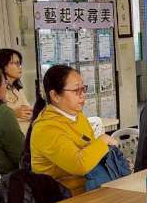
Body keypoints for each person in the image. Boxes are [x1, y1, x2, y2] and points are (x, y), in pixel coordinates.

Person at [29, 64, 118, 195]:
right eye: (76, 90)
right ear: (55, 96)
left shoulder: (76, 115)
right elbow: (79, 165)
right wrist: (102, 141)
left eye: (84, 88)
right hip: (63, 197)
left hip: (90, 187)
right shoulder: (46, 128)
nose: (83, 95)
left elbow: (89, 148)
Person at [0, 48, 32, 122]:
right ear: (4, 66)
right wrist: (13, 113)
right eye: (16, 63)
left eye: (20, 63)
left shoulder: (16, 89)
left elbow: (28, 111)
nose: (20, 67)